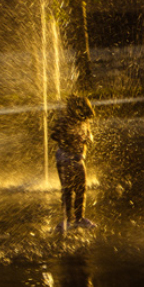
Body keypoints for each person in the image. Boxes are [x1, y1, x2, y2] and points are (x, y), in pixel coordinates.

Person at [51, 95, 96, 232]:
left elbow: (88, 137)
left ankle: (79, 218)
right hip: (65, 158)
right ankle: (67, 220)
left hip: (78, 157)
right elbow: (54, 135)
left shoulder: (84, 121)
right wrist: (68, 138)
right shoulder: (65, 120)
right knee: (68, 189)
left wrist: (87, 138)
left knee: (81, 188)